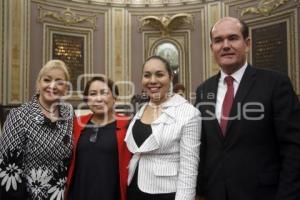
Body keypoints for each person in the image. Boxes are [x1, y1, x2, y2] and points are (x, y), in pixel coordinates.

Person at [195, 17, 300, 200]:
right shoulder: (204, 90)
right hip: (215, 193)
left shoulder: (275, 83)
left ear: (247, 43)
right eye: (218, 40)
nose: (225, 45)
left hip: (263, 194)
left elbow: (294, 147)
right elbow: (204, 147)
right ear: (212, 48)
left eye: (233, 38)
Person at [125, 55, 201, 200]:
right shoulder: (141, 108)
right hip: (134, 187)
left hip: (166, 193)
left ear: (171, 77)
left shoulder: (189, 113)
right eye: (147, 75)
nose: (152, 80)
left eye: (159, 74)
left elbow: (189, 168)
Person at [0, 59, 73, 200]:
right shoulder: (19, 115)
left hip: (63, 195)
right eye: (47, 80)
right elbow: (7, 165)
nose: (53, 85)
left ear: (66, 88)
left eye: (59, 81)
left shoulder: (69, 114)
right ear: (39, 84)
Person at [66, 76, 131, 200]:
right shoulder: (76, 124)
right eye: (93, 94)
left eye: (104, 93)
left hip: (111, 194)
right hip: (79, 194)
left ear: (115, 96)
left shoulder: (127, 126)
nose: (98, 98)